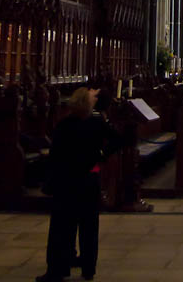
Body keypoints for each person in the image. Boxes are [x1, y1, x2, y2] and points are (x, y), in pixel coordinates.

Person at [36, 87, 121, 282]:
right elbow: (117, 139)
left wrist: (50, 181)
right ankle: (88, 268)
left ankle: (58, 270)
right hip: (89, 180)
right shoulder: (97, 123)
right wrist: (101, 155)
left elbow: (55, 156)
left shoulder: (64, 125)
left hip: (67, 182)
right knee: (89, 226)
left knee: (62, 228)